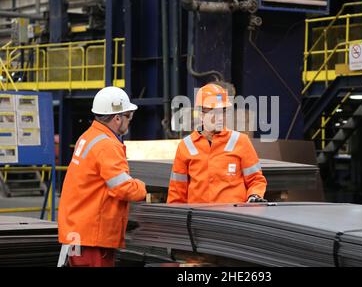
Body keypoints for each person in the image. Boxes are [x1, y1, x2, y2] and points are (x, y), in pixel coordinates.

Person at [57, 86, 147, 267]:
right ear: (117, 118)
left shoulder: (89, 137)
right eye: (128, 117)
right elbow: (124, 189)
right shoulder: (106, 146)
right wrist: (143, 188)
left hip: (79, 230)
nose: (129, 122)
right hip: (93, 237)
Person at [167, 83, 267, 204]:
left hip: (233, 218)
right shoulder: (186, 146)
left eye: (223, 111)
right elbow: (177, 191)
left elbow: (256, 180)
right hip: (199, 218)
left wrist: (254, 195)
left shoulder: (241, 142)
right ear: (200, 113)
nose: (220, 118)